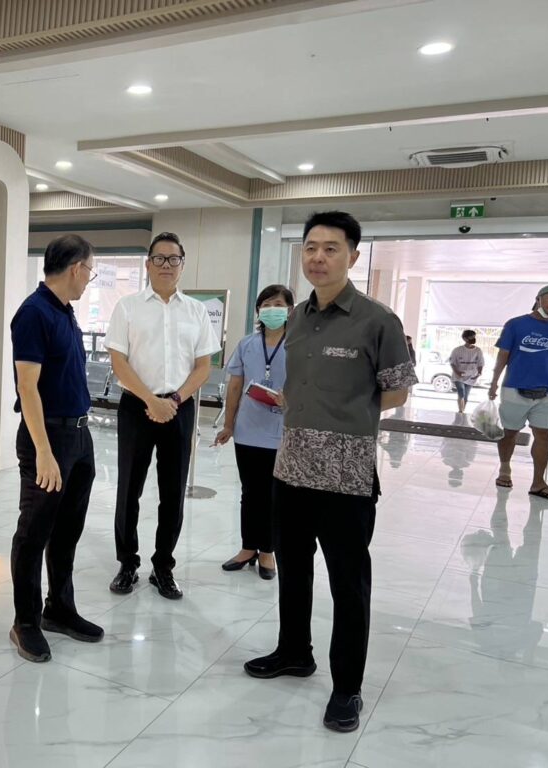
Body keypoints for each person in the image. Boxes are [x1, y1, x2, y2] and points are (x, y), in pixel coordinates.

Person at [243, 211, 417, 734]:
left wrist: (346, 411)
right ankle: (294, 652)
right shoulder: (295, 317)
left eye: (331, 248)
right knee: (294, 570)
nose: (318, 257)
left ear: (353, 256)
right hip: (291, 467)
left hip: (346, 474)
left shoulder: (377, 320)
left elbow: (398, 389)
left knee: (348, 584)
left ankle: (347, 688)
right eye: (310, 247)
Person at [105, 232, 219, 600]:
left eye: (173, 259)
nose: (166, 265)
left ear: (182, 265)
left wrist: (175, 399)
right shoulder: (127, 307)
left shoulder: (196, 311)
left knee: (173, 492)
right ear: (148, 264)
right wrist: (150, 400)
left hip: (179, 408)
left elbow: (204, 366)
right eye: (159, 258)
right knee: (129, 490)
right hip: (136, 406)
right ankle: (127, 563)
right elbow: (119, 362)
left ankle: (163, 567)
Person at [8, 234, 104, 663]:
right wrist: (44, 453)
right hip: (47, 439)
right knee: (34, 533)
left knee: (67, 531)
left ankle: (59, 609)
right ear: (76, 268)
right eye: (90, 271)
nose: (88, 279)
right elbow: (27, 388)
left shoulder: (65, 311)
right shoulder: (33, 313)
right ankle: (25, 621)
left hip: (79, 438)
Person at [215, 284, 295, 581]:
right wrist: (228, 424)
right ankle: (248, 547)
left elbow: (308, 385)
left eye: (279, 304)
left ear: (290, 310)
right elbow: (235, 385)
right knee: (250, 493)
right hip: (248, 431)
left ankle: (267, 551)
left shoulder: (297, 345)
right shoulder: (248, 344)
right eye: (267, 304)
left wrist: (291, 398)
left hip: (282, 432)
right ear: (258, 310)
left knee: (274, 495)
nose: (272, 309)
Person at [488, 286, 548, 497]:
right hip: (515, 389)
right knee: (510, 433)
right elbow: (503, 356)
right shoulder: (515, 324)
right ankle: (505, 468)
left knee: (544, 435)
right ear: (538, 299)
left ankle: (538, 483)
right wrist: (494, 382)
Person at [450, 329, 485, 413]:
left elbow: (480, 363)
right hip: (458, 376)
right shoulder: (457, 350)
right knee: (461, 392)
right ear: (465, 338)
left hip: (471, 376)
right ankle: (460, 411)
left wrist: (479, 373)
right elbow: (452, 363)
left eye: (474, 336)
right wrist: (457, 372)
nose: (473, 338)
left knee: (466, 396)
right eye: (471, 337)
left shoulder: (478, 350)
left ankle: (462, 411)